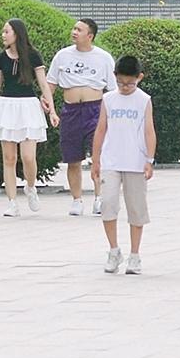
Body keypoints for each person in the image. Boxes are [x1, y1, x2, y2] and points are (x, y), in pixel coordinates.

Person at [0, 17, 51, 215]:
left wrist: (52, 110)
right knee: (9, 158)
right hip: (6, 107)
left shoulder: (33, 55)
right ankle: (12, 203)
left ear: (17, 34)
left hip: (28, 107)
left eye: (6, 31)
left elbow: (44, 85)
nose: (3, 35)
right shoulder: (0, 58)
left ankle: (30, 187)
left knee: (28, 157)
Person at [45, 19, 116, 216]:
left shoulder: (103, 57)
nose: (74, 32)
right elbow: (50, 84)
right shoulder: (62, 56)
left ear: (90, 36)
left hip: (96, 110)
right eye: (74, 28)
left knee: (98, 156)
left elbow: (113, 90)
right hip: (71, 111)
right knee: (72, 158)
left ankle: (99, 198)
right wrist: (50, 108)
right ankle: (76, 200)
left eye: (79, 30)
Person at [97, 54, 154, 274]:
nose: (125, 87)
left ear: (139, 78)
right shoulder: (108, 99)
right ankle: (114, 250)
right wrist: (96, 159)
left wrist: (149, 159)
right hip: (111, 160)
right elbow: (101, 129)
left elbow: (149, 131)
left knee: (136, 209)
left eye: (130, 83)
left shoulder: (144, 100)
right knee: (108, 204)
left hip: (136, 161)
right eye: (121, 82)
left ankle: (135, 255)